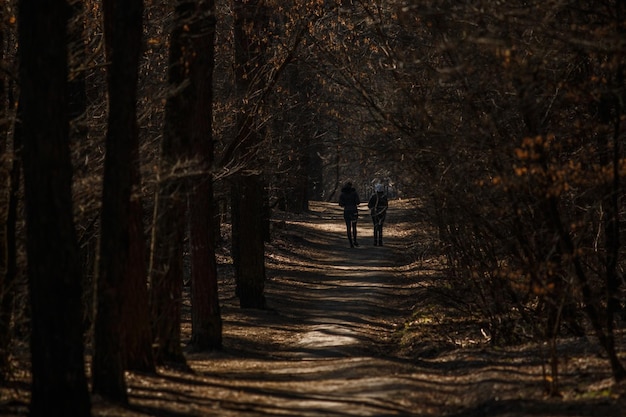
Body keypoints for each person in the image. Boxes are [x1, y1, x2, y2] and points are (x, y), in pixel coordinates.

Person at [339, 181, 360, 247]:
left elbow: (340, 204)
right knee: (354, 226)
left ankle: (350, 243)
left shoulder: (342, 194)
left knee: (348, 227)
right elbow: (358, 202)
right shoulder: (354, 193)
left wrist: (345, 204)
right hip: (354, 211)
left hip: (346, 211)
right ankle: (355, 241)